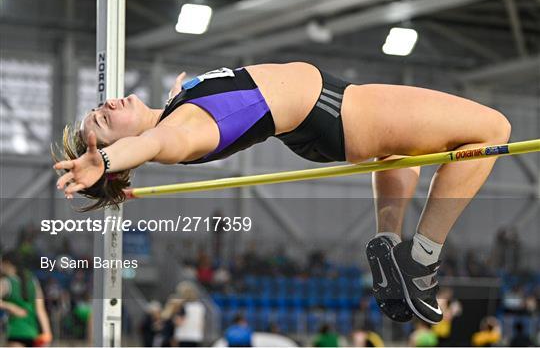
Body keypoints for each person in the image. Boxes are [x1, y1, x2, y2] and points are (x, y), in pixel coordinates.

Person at [53, 62, 512, 324]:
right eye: (104, 120)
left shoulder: (177, 110)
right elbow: (153, 143)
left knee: (399, 155)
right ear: (122, 147)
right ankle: (424, 258)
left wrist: (176, 95)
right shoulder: (180, 131)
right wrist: (109, 162)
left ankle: (389, 245)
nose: (108, 104)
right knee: (492, 128)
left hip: (320, 119)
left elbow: (163, 125)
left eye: (101, 107)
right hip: (338, 111)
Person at [0, 251, 53, 347]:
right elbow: (41, 311)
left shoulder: (6, 283)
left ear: (7, 264)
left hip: (15, 331)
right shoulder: (34, 282)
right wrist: (47, 334)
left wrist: (11, 307)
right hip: (32, 333)